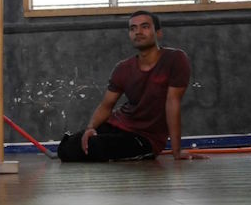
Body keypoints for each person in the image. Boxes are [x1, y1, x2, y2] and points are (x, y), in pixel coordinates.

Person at [57, 10, 197, 162]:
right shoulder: (123, 68)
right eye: (133, 28)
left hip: (145, 138)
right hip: (117, 125)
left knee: (95, 146)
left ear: (158, 33)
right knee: (67, 147)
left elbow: (172, 102)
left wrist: (176, 151)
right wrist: (90, 128)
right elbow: (106, 105)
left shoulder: (175, 59)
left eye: (145, 27)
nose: (138, 32)